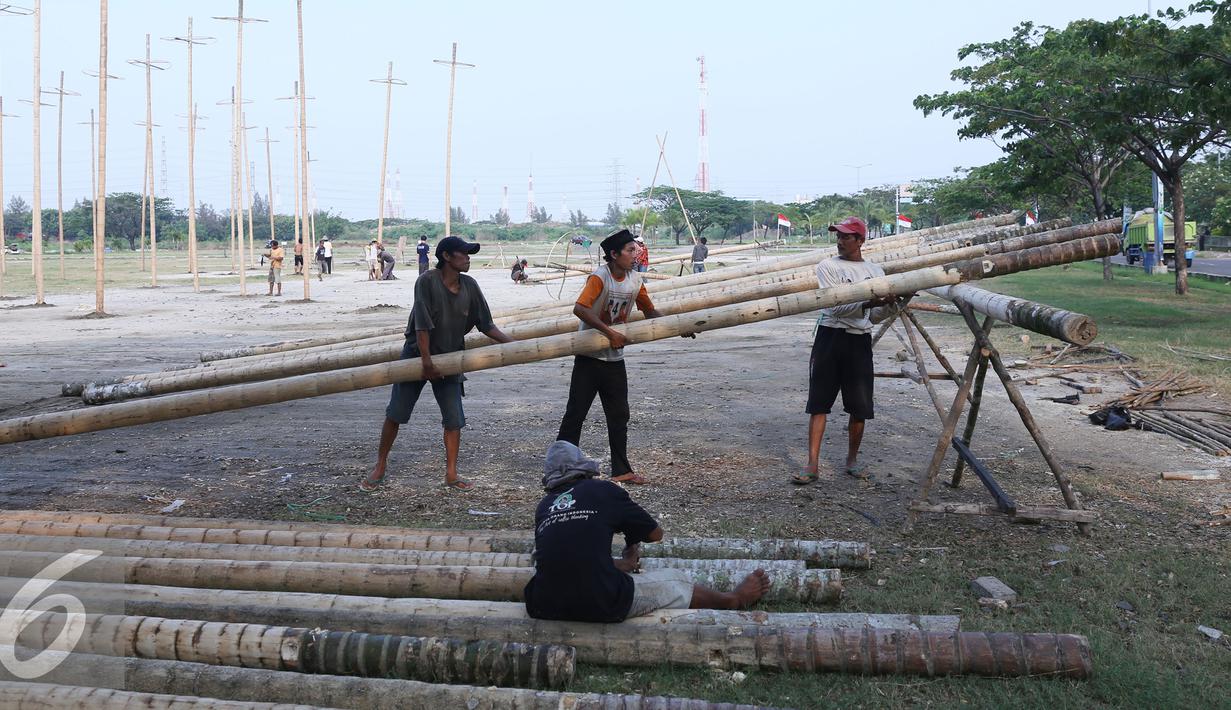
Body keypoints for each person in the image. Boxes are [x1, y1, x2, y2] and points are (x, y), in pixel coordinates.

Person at [524, 441, 771, 623]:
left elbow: (569, 558)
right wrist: (628, 533)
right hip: (602, 602)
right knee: (676, 581)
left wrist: (622, 565)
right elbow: (655, 534)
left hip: (542, 604)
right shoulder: (604, 491)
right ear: (584, 469)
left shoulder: (544, 506)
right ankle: (732, 600)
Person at [361, 236, 515, 492]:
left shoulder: (469, 286)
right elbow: (422, 324)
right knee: (396, 412)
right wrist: (426, 362)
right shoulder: (427, 281)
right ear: (446, 256)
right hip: (417, 356)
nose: (468, 258)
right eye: (463, 253)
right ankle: (380, 465)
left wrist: (514, 345)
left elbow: (486, 325)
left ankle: (451, 473)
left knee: (454, 418)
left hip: (451, 358)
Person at [556, 229, 677, 486]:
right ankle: (561, 468)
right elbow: (580, 308)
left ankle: (621, 469)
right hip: (589, 358)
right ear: (614, 254)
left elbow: (650, 311)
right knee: (575, 414)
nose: (636, 255)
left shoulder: (635, 280)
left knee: (619, 415)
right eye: (630, 251)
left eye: (636, 250)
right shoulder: (600, 277)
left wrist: (678, 326)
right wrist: (609, 332)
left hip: (614, 361)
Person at [793, 216, 904, 485]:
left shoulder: (875, 271)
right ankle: (812, 464)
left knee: (859, 406)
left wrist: (893, 304)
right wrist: (869, 302)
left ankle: (852, 461)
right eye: (839, 236)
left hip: (859, 341)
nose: (840, 241)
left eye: (846, 237)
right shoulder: (828, 266)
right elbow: (834, 307)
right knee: (819, 403)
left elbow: (874, 317)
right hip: (830, 337)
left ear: (860, 240)